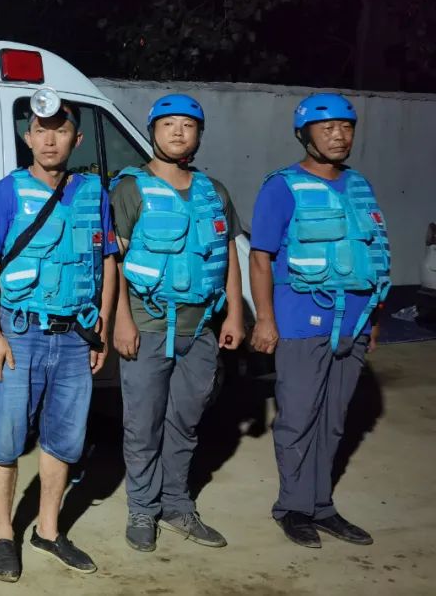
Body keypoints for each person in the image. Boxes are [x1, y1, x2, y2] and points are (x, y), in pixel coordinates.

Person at [0, 92, 117, 582]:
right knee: (6, 438)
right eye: (40, 130)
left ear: (76, 139)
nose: (50, 140)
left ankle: (48, 531)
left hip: (76, 336)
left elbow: (108, 263)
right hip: (19, 332)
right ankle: (3, 534)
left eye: (60, 130)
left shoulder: (95, 194)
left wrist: (102, 327)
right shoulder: (6, 192)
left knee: (65, 437)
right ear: (28, 138)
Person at [249, 92, 390, 549]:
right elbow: (260, 257)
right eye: (327, 128)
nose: (338, 135)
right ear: (304, 135)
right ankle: (292, 508)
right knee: (298, 418)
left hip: (353, 323)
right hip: (300, 322)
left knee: (334, 420)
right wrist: (265, 319)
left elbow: (373, 254)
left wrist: (372, 319)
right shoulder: (282, 187)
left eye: (346, 127)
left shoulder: (359, 186)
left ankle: (321, 505)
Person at [109, 94, 245, 553]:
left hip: (200, 329)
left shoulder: (214, 192)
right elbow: (114, 262)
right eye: (168, 124)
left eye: (188, 125)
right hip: (148, 326)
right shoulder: (130, 189)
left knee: (185, 423)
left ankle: (176, 505)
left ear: (199, 134)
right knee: (143, 425)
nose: (179, 132)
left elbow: (228, 256)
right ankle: (142, 509)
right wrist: (121, 321)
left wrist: (235, 313)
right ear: (153, 132)